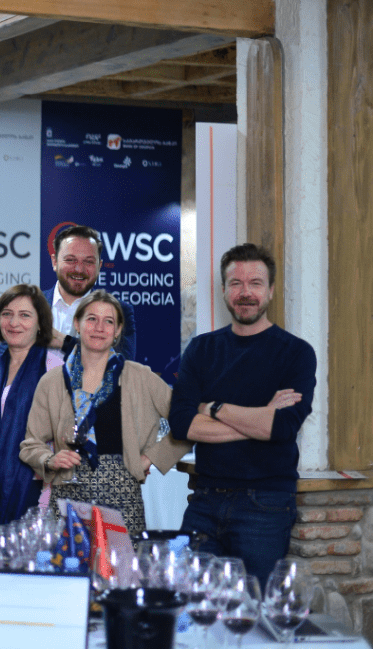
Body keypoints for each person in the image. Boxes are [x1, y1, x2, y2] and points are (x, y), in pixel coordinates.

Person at [168, 243, 316, 582]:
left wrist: (213, 408)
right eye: (236, 283)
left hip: (265, 505)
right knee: (188, 595)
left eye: (255, 283)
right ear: (224, 290)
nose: (245, 292)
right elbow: (180, 423)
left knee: (254, 604)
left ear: (271, 290)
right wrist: (260, 417)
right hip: (204, 500)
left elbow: (282, 427)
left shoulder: (296, 353)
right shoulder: (201, 349)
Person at [20, 290, 188, 535]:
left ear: (118, 330)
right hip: (68, 497)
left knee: (122, 562)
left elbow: (187, 421)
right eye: (91, 319)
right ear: (77, 324)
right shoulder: (53, 381)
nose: (99, 328)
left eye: (108, 321)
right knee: (71, 560)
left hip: (123, 498)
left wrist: (151, 457)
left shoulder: (140, 376)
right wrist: (49, 460)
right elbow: (30, 444)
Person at [0, 284, 60, 527]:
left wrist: (47, 499)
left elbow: (63, 441)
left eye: (25, 315)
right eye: (7, 314)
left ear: (40, 323)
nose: (14, 322)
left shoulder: (55, 369)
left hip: (37, 495)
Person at [45, 224, 137, 361]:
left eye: (88, 262)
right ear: (55, 262)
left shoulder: (119, 312)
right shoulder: (28, 307)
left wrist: (63, 341)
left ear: (99, 266)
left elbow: (121, 365)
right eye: (70, 260)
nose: (79, 269)